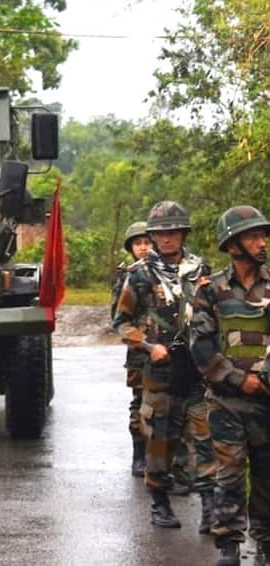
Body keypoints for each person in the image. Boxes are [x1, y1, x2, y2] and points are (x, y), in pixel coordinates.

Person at [114, 200, 217, 532]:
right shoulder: (139, 274)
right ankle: (159, 504)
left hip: (199, 369)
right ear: (152, 236)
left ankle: (210, 508)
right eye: (160, 233)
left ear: (183, 232)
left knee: (205, 438)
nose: (167, 238)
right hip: (159, 371)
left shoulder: (201, 269)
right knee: (160, 440)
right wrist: (148, 345)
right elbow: (122, 322)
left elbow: (215, 312)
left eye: (173, 232)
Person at [189, 205, 270, 566]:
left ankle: (266, 542)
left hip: (267, 400)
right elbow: (200, 346)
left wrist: (263, 379)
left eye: (264, 235)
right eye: (254, 236)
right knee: (230, 474)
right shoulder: (210, 290)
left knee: (267, 475)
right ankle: (228, 546)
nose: (262, 242)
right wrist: (240, 379)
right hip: (226, 402)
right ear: (233, 243)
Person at [110, 221, 152, 477]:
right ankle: (139, 454)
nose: (144, 248)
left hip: (170, 347)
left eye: (147, 242)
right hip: (139, 350)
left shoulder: (167, 271)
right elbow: (117, 315)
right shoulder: (127, 276)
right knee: (139, 402)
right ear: (131, 248)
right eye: (138, 244)